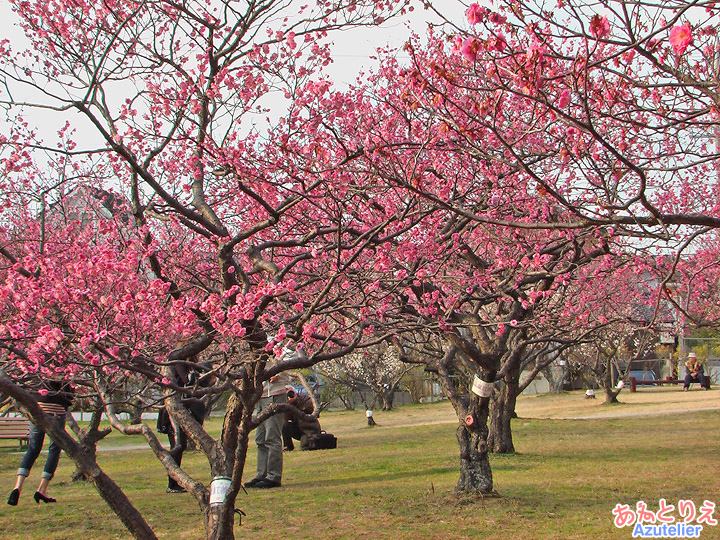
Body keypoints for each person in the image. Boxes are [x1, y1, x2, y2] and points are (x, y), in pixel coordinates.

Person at [7, 380, 74, 506]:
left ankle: (18, 486)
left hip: (38, 410)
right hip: (56, 412)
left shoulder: (39, 373)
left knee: (33, 449)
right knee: (54, 449)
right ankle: (42, 489)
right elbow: (68, 396)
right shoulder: (64, 372)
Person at [157, 361, 211, 493]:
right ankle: (172, 483)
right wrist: (200, 374)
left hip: (184, 407)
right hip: (174, 407)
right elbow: (187, 380)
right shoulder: (178, 363)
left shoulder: (192, 364)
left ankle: (173, 482)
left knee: (181, 445)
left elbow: (201, 383)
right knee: (177, 445)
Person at [244, 359, 293, 489]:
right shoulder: (255, 350)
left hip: (274, 395)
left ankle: (273, 476)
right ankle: (262, 474)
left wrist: (278, 376)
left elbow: (289, 364)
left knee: (272, 437)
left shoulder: (278, 348)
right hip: (260, 396)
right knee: (260, 439)